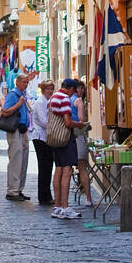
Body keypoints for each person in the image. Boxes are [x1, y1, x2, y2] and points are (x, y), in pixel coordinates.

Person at [48, 77, 86, 220]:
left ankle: (57, 206)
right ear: (70, 89)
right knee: (67, 170)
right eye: (74, 91)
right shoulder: (64, 99)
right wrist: (80, 124)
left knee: (58, 169)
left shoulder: (53, 97)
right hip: (65, 138)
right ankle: (65, 206)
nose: (73, 94)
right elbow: (68, 122)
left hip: (54, 138)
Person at [1, 72, 31, 201]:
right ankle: (12, 191)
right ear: (17, 82)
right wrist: (19, 104)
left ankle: (19, 189)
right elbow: (5, 111)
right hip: (15, 131)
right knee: (16, 161)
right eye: (24, 82)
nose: (26, 84)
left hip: (23, 131)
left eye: (27, 82)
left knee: (23, 161)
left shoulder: (22, 95)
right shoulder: (13, 95)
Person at [29, 78, 56, 206]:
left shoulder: (48, 101)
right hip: (40, 137)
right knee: (44, 167)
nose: (50, 91)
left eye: (51, 88)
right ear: (43, 90)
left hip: (46, 137)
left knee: (48, 167)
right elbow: (43, 121)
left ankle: (46, 195)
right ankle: (44, 197)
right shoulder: (40, 102)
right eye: (48, 89)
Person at [73, 78, 94, 211]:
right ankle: (88, 198)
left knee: (68, 168)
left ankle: (61, 202)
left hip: (70, 137)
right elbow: (82, 120)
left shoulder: (66, 100)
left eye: (82, 88)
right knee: (82, 167)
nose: (81, 90)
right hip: (78, 136)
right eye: (78, 88)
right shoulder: (78, 101)